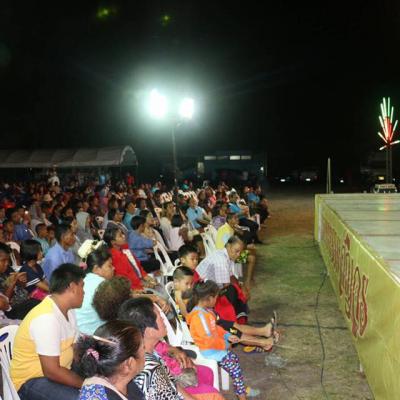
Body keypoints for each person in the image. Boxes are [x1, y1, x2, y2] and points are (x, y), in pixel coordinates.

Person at [118, 298, 223, 400]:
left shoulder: (147, 351)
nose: (164, 319)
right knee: (214, 395)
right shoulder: (150, 370)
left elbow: (172, 383)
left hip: (172, 389)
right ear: (149, 331)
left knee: (208, 378)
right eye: (160, 317)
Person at [11, 263, 85, 400]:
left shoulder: (69, 310)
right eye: (82, 286)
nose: (84, 292)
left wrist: (91, 371)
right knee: (85, 396)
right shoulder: (46, 318)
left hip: (59, 371)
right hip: (30, 381)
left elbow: (75, 348)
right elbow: (52, 372)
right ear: (72, 287)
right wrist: (85, 384)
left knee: (102, 380)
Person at [186, 281, 260, 399]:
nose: (217, 300)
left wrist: (227, 336)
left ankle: (241, 390)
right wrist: (225, 344)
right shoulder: (199, 317)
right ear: (209, 298)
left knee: (234, 360)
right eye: (216, 297)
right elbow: (208, 340)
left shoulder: (206, 311)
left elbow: (216, 328)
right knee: (233, 364)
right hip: (208, 350)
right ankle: (241, 395)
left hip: (214, 347)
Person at [175, 269, 276, 351]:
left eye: (191, 283)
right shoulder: (180, 297)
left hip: (211, 321)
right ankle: (264, 343)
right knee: (237, 334)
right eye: (187, 283)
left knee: (236, 325)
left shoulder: (188, 294)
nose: (189, 286)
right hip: (205, 327)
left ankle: (264, 331)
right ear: (176, 282)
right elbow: (188, 316)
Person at [77, 320, 145, 400]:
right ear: (129, 364)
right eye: (143, 348)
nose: (145, 351)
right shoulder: (97, 396)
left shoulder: (126, 385)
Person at [196, 236, 248, 323]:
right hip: (202, 292)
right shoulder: (221, 260)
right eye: (236, 251)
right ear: (228, 246)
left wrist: (242, 286)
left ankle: (238, 317)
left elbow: (231, 276)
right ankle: (232, 320)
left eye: (240, 252)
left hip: (209, 287)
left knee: (238, 290)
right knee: (233, 292)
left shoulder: (227, 256)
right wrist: (240, 290)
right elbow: (226, 286)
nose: (238, 254)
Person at [76, 245, 115, 335]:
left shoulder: (85, 279)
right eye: (109, 266)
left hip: (80, 332)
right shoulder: (102, 284)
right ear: (96, 269)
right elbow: (114, 313)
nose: (113, 268)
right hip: (94, 334)